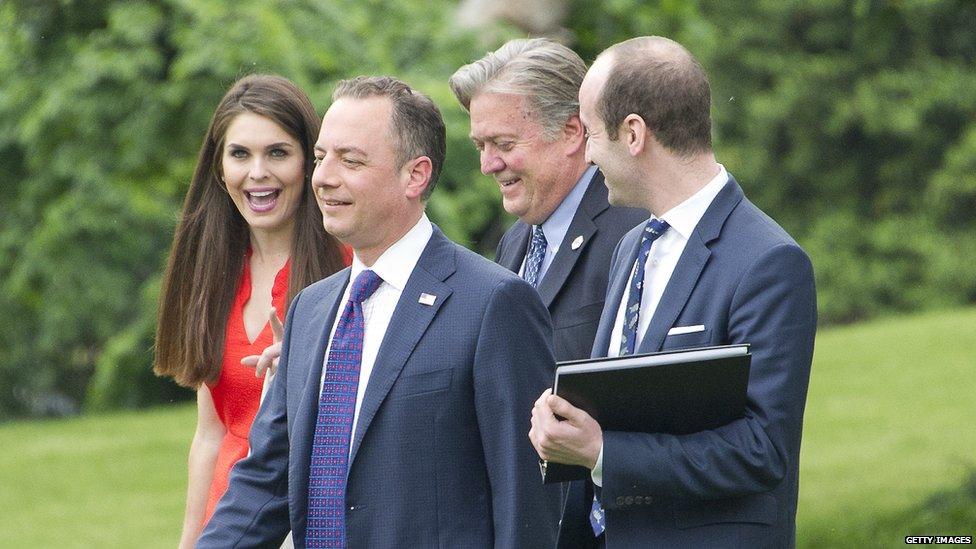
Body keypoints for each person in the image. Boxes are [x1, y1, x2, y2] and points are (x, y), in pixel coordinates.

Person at [198, 76, 561, 547]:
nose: (324, 178)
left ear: (416, 175)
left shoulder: (494, 303)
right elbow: (263, 485)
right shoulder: (310, 309)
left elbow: (526, 506)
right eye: (322, 157)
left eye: (351, 161)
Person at [529, 37, 818, 548]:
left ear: (633, 134)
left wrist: (602, 453)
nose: (587, 154)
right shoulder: (632, 247)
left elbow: (762, 449)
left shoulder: (769, 261)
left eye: (592, 133)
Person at [152, 74, 348, 549]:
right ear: (220, 169)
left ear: (309, 163)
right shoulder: (214, 271)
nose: (257, 172)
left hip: (309, 523)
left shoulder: (347, 268)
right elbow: (211, 433)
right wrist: (190, 540)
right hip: (230, 527)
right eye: (240, 154)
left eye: (277, 153)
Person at [450, 38, 647, 363]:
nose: (488, 165)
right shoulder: (515, 243)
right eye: (480, 146)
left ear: (571, 132)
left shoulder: (634, 232)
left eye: (503, 143)